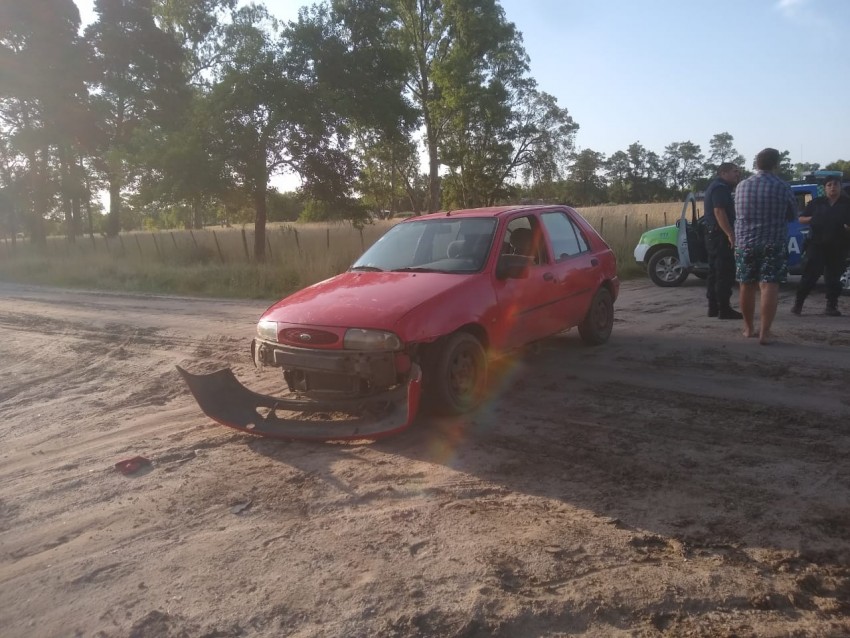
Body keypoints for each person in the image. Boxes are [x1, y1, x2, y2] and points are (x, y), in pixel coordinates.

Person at [733, 148, 797, 344]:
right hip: (773, 242)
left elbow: (738, 213)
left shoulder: (742, 186)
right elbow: (793, 215)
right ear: (776, 164)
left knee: (746, 285)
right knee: (769, 285)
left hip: (745, 243)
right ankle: (765, 332)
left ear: (756, 164)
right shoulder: (783, 187)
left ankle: (748, 328)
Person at [792, 175, 850, 316]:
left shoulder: (847, 204)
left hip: (838, 246)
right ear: (824, 188)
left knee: (834, 278)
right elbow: (801, 219)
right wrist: (813, 218)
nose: (832, 187)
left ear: (840, 186)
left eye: (835, 184)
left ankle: (831, 306)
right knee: (809, 275)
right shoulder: (816, 203)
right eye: (829, 185)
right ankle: (798, 304)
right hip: (816, 244)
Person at [703, 163, 742, 319]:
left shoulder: (715, 186)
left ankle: (713, 308)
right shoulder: (720, 188)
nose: (737, 174)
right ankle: (724, 309)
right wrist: (730, 234)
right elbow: (719, 211)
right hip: (720, 236)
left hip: (713, 235)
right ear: (723, 173)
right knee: (724, 273)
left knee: (714, 273)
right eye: (734, 171)